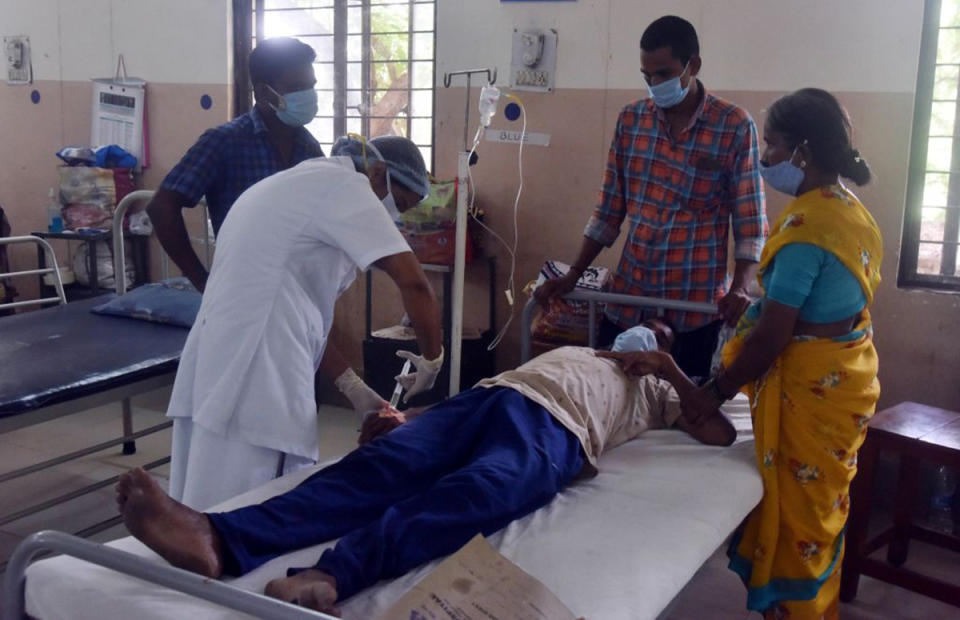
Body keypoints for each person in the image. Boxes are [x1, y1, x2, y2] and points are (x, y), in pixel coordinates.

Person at [115, 346, 735, 614]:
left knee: (479, 494)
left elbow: (720, 434)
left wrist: (669, 368)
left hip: (559, 433)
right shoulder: (580, 354)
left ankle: (332, 575)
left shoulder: (658, 391)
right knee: (381, 465)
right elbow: (478, 396)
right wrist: (409, 419)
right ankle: (218, 537)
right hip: (491, 399)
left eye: (653, 337)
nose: (638, 340)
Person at [678, 88, 882, 619]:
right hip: (848, 372)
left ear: (802, 152)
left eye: (771, 146)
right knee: (822, 511)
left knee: (797, 516)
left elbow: (772, 338)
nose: (764, 158)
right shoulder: (849, 211)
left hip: (811, 389)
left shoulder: (804, 231)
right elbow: (816, 302)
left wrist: (714, 392)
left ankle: (793, 612)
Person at [167, 135, 445, 511]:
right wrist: (433, 358)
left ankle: (189, 552)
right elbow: (415, 284)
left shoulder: (295, 184)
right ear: (379, 174)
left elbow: (307, 314)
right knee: (251, 500)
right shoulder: (348, 187)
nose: (396, 216)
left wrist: (355, 390)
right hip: (258, 363)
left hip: (223, 349)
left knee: (204, 491)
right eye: (402, 204)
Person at [535, 15, 766, 378]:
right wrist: (574, 274)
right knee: (608, 397)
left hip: (694, 308)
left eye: (663, 74)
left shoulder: (733, 126)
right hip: (629, 299)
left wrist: (740, 288)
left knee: (679, 410)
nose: (654, 85)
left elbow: (751, 223)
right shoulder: (632, 121)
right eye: (646, 76)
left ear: (693, 66)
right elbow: (608, 211)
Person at [147, 37, 325, 294]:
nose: (308, 95)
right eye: (296, 87)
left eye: (310, 86)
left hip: (299, 289)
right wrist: (201, 281)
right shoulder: (225, 142)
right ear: (264, 92)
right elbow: (162, 207)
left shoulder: (309, 148)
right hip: (242, 288)